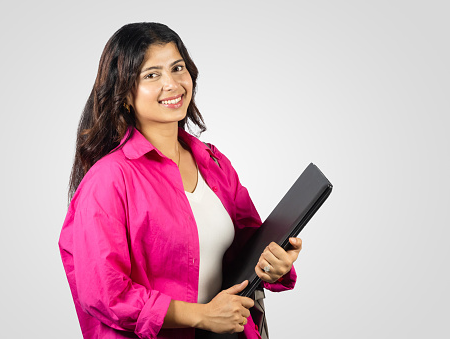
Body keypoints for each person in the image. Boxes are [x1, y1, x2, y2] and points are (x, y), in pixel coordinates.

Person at [59, 22, 302, 339]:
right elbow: (105, 293)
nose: (172, 84)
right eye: (151, 74)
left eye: (177, 68)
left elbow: (248, 246)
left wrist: (274, 264)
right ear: (125, 95)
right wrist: (201, 316)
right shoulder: (109, 180)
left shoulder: (213, 163)